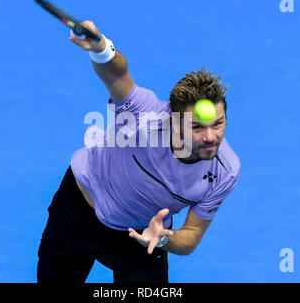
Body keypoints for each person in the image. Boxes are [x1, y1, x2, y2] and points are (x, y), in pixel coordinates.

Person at [37, 21, 240, 283]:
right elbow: (117, 75)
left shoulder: (224, 171)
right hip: (77, 213)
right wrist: (102, 49)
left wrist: (164, 239)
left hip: (142, 236)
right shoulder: (146, 116)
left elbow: (191, 235)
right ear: (174, 121)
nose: (211, 136)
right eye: (197, 127)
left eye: (218, 123)